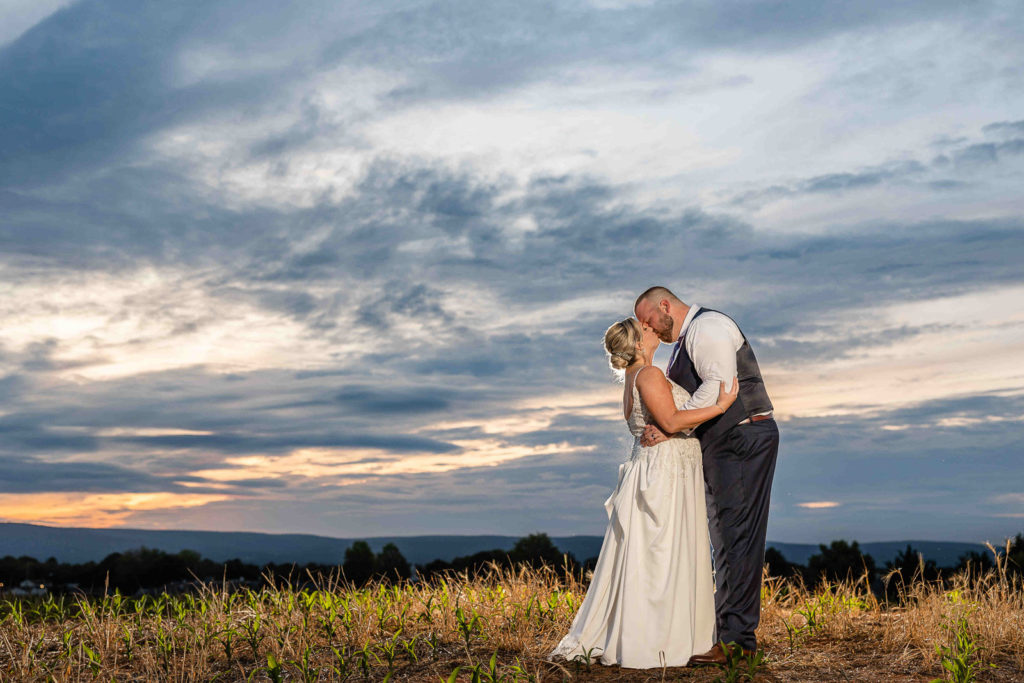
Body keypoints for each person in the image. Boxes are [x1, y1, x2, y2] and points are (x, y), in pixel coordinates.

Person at [548, 317, 737, 668]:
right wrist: (723, 404)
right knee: (663, 552)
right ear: (637, 343)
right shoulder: (648, 375)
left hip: (655, 465)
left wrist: (671, 426)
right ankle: (660, 639)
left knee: (653, 553)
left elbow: (663, 422)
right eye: (645, 327)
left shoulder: (637, 378)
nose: (651, 327)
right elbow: (671, 421)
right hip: (665, 471)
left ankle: (660, 632)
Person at [634, 286, 779, 664]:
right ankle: (726, 632)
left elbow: (719, 388)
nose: (649, 329)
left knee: (739, 537)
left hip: (742, 437)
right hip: (722, 443)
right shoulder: (686, 340)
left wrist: (672, 427)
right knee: (726, 539)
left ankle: (738, 643)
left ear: (665, 306)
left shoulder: (708, 326)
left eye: (649, 320)